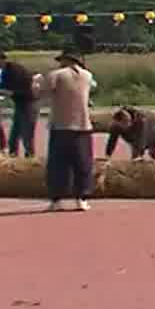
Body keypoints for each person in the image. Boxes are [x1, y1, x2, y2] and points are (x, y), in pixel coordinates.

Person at [34, 50, 96, 211]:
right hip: (83, 125)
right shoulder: (87, 76)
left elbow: (40, 93)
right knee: (83, 163)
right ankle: (82, 198)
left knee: (58, 165)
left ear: (66, 60)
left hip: (61, 125)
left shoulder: (56, 75)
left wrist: (37, 82)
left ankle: (57, 199)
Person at [0, 47, 38, 157]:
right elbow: (2, 88)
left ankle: (30, 159)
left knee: (26, 135)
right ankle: (13, 157)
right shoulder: (5, 71)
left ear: (0, 59)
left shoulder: (15, 70)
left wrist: (9, 93)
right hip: (20, 104)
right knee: (14, 134)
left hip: (28, 103)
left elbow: (25, 90)